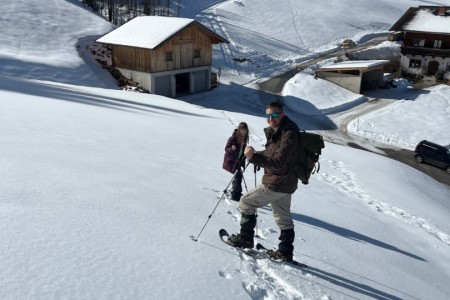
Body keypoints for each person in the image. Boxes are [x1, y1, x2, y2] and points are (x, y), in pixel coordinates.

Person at [228, 102, 299, 262]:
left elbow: (279, 161)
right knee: (283, 218)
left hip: (277, 182)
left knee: (246, 202)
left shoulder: (289, 133)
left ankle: (245, 239)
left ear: (282, 114)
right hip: (286, 184)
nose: (270, 119)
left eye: (274, 115)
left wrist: (254, 157)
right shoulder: (279, 131)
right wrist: (253, 154)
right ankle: (285, 252)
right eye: (268, 115)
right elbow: (270, 154)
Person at [222, 122, 249, 201]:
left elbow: (242, 152)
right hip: (231, 161)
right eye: (242, 130)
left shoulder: (244, 139)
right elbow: (226, 149)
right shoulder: (233, 138)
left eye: (245, 130)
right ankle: (235, 194)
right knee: (238, 176)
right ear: (239, 130)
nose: (244, 132)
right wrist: (231, 149)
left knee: (238, 175)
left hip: (237, 161)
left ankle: (236, 192)